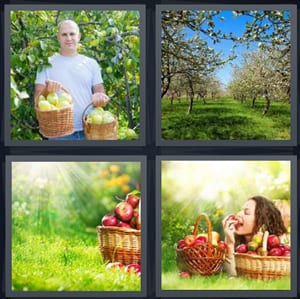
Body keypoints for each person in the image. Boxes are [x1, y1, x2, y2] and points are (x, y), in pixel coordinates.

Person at [34, 19, 110, 140]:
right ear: (58, 37)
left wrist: (100, 98)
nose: (69, 38)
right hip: (60, 133)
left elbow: (100, 92)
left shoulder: (91, 63)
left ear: (79, 36)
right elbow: (37, 99)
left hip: (90, 128)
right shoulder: (46, 64)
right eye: (64, 34)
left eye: (72, 34)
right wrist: (47, 91)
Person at [222, 195, 288, 276]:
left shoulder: (271, 251)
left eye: (246, 213)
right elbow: (229, 275)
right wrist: (229, 243)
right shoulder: (238, 247)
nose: (238, 214)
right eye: (240, 210)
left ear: (261, 221)